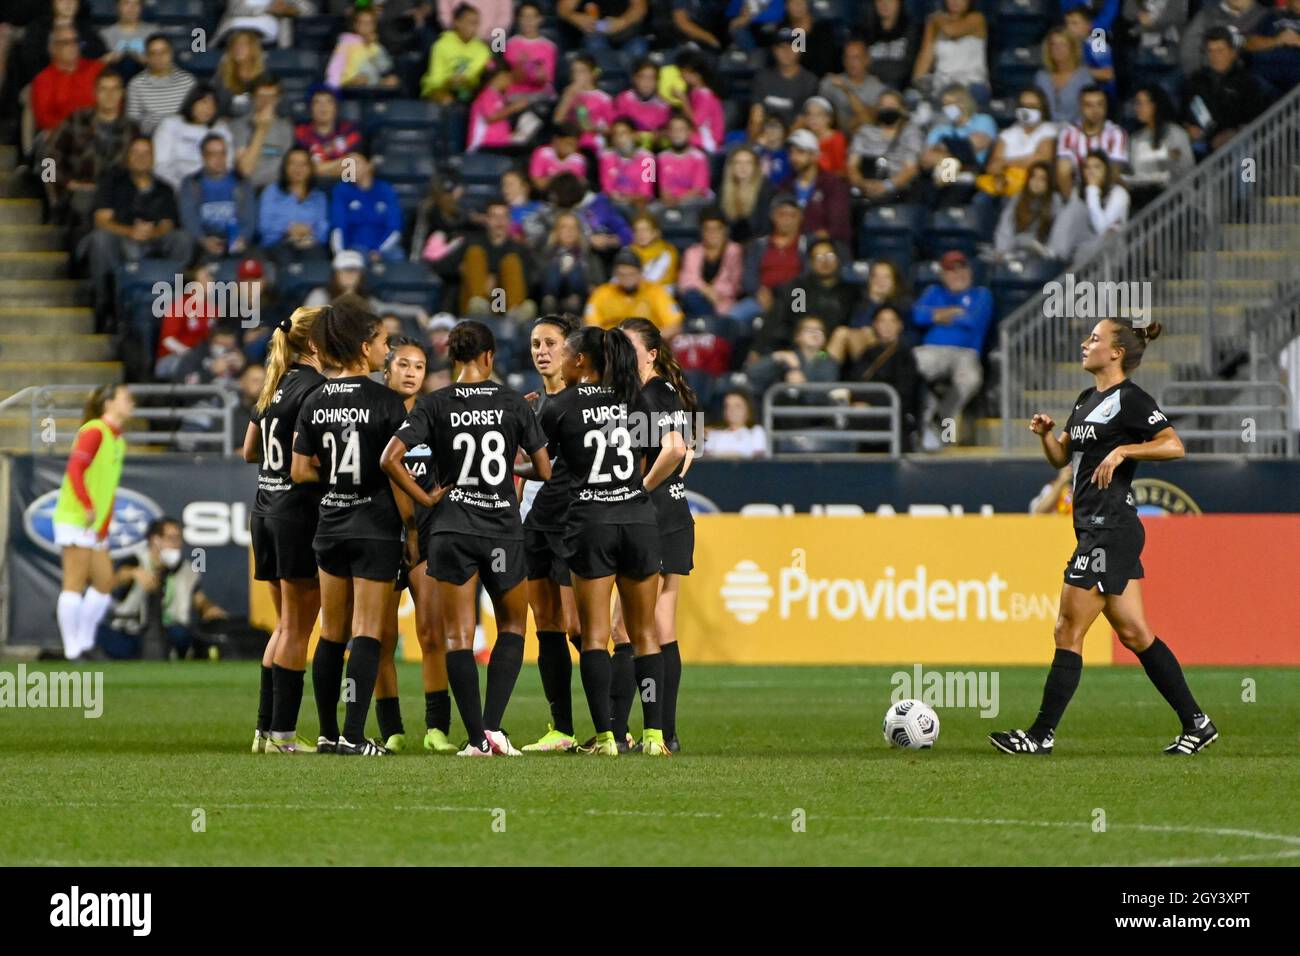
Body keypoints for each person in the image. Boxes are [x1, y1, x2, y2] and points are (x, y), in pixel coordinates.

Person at [990, 318, 1218, 757]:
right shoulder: (1085, 399)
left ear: (1116, 353)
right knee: (1134, 634)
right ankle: (1198, 723)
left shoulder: (1131, 400)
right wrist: (1045, 437)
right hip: (1100, 526)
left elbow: (1174, 445)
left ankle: (1040, 735)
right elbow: (1063, 458)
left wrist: (1125, 449)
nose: (1085, 343)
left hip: (1108, 529)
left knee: (1067, 628)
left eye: (1094, 338)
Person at [382, 321, 551, 756]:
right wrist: (515, 447)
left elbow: (391, 459)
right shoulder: (514, 402)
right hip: (501, 531)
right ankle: (493, 728)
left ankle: (475, 738)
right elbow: (545, 471)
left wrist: (427, 496)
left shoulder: (434, 404)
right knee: (513, 625)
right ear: (490, 356)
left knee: (457, 635)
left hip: (452, 528)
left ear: (452, 357)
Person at [544, 325, 670, 756]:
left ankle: (606, 738)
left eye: (564, 354)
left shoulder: (559, 405)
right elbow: (663, 450)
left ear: (580, 361)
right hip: (637, 518)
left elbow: (541, 466)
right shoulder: (636, 399)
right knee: (644, 634)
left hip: (591, 522)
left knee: (595, 637)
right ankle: (654, 736)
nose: (559, 360)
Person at [290, 295, 407, 756]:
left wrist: (336, 479)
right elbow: (397, 474)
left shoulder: (314, 399)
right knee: (367, 632)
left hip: (331, 526)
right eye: (382, 342)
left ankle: (326, 733)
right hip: (374, 528)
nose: (388, 350)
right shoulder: (387, 402)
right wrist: (411, 530)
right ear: (363, 347)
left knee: (331, 633)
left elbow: (299, 472)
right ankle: (356, 736)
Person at [607, 318, 697, 753]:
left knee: (624, 626)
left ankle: (622, 732)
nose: (620, 352)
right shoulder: (668, 393)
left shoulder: (649, 394)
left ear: (650, 354)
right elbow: (690, 450)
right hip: (675, 515)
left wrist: (639, 490)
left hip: (654, 518)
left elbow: (677, 448)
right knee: (660, 625)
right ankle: (664, 732)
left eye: (627, 345)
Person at [242, 306, 326, 754]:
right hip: (296, 513)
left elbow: (248, 451)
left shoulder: (273, 386)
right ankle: (282, 736)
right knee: (297, 628)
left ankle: (264, 730)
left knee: (284, 626)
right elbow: (309, 461)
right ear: (314, 345)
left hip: (264, 510)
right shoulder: (316, 390)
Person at [369, 336, 452, 752]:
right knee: (382, 637)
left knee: (431, 632)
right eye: (403, 365)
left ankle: (437, 728)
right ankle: (392, 730)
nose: (411, 373)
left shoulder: (435, 416)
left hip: (427, 533)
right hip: (382, 534)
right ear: (386, 372)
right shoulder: (373, 417)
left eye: (418, 366)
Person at [517, 314, 583, 752]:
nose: (542, 351)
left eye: (550, 343)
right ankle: (562, 728)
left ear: (571, 351)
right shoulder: (531, 405)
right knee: (547, 626)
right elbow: (525, 469)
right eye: (536, 343)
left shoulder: (586, 402)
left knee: (581, 627)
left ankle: (617, 723)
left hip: (575, 522)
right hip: (532, 522)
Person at [53, 382, 133, 661]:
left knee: (104, 583)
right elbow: (75, 468)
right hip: (75, 517)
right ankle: (71, 648)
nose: (131, 403)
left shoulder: (118, 440)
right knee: (73, 583)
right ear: (109, 403)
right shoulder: (94, 431)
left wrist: (103, 524)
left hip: (93, 524)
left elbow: (109, 489)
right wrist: (87, 505)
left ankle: (85, 641)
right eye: (125, 398)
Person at [82, 135, 193, 326]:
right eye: (136, 152)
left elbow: (168, 223)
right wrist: (130, 232)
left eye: (146, 153)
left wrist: (152, 233)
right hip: (121, 239)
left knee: (182, 239)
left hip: (154, 240)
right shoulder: (112, 182)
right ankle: (106, 306)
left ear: (153, 157)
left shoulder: (164, 188)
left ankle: (177, 306)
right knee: (100, 239)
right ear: (127, 157)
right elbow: (101, 220)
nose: (141, 157)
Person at [97, 516, 228, 659]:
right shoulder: (136, 561)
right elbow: (114, 581)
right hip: (132, 630)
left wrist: (208, 608)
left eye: (178, 538)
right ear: (155, 540)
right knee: (103, 635)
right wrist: (133, 573)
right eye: (170, 538)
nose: (175, 544)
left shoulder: (188, 570)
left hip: (170, 629)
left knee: (183, 635)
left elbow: (199, 599)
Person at [911, 250, 994, 449]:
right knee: (912, 364)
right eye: (951, 271)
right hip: (932, 350)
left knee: (971, 378)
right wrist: (952, 313)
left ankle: (940, 417)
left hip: (966, 353)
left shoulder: (981, 294)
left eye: (962, 268)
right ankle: (914, 419)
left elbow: (972, 320)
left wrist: (939, 316)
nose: (958, 274)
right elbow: (916, 315)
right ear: (943, 275)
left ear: (970, 271)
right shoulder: (933, 292)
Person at [45, 68, 138, 237]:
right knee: (83, 205)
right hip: (80, 193)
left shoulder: (132, 129)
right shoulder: (76, 119)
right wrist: (67, 183)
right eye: (104, 89)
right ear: (95, 93)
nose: (109, 94)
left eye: (114, 89)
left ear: (121, 93)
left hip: (118, 197)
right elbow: (47, 162)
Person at [432, 199, 535, 321]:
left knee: (511, 261)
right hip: (472, 301)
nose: (499, 222)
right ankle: (479, 304)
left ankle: (515, 311)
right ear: (486, 219)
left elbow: (532, 278)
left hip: (502, 305)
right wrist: (465, 271)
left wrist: (495, 279)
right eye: (494, 217)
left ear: (509, 220)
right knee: (475, 254)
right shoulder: (471, 242)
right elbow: (440, 266)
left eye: (503, 217)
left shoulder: (519, 249)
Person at [755, 238, 859, 355]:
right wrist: (757, 350)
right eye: (819, 257)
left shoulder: (852, 292)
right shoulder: (799, 290)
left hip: (835, 353)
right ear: (811, 263)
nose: (825, 262)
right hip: (801, 352)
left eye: (829, 256)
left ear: (838, 259)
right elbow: (791, 322)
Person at [1183, 27, 1269, 157]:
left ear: (1232, 52)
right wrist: (1188, 127)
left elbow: (1256, 118)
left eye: (1220, 50)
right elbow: (1185, 109)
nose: (1215, 56)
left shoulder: (1247, 81)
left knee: (1241, 148)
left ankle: (1248, 178)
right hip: (1202, 139)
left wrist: (1233, 132)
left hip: (1238, 140)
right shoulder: (1197, 79)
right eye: (1210, 51)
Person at [918, 84, 994, 206]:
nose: (947, 108)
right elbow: (926, 158)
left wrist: (942, 149)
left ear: (964, 103)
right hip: (942, 176)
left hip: (972, 175)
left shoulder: (983, 120)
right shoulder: (940, 128)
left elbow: (977, 144)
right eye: (944, 104)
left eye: (950, 104)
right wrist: (952, 157)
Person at [1049, 150, 1130, 263]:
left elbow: (1102, 229)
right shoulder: (1078, 193)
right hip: (1083, 247)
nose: (1091, 172)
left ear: (1106, 171)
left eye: (1097, 167)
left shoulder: (1119, 193)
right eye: (1087, 167)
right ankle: (1052, 254)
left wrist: (1092, 190)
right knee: (1073, 207)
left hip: (1111, 250)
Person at [979, 88, 1057, 203]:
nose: (1026, 110)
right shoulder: (1008, 133)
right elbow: (993, 165)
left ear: (1042, 109)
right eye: (1023, 106)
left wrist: (1006, 163)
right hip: (1004, 184)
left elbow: (1041, 160)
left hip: (1031, 184)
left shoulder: (1048, 130)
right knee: (980, 200)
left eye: (1032, 106)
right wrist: (1000, 176)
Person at [1124, 85, 1194, 212]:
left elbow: (1186, 169)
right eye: (1136, 104)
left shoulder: (1176, 134)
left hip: (1174, 199)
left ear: (1154, 105)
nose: (1137, 108)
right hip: (1143, 198)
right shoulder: (1135, 139)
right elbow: (1135, 172)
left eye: (1141, 103)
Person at [846, 89, 922, 205]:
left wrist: (887, 186)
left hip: (896, 188)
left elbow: (910, 168)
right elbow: (851, 165)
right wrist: (862, 184)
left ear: (901, 109)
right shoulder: (865, 132)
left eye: (892, 105)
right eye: (883, 105)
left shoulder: (910, 133)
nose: (887, 109)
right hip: (865, 184)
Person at [583, 248, 683, 333]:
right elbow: (592, 326)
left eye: (631, 274)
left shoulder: (656, 292)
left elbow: (674, 325)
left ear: (640, 273)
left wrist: (650, 341)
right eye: (622, 274)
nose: (627, 279)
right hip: (611, 347)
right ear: (615, 274)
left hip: (646, 346)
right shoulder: (602, 293)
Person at [258, 146, 330, 264]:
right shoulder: (271, 192)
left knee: (317, 257)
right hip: (278, 244)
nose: (298, 169)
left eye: (303, 164)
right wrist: (289, 229)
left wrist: (308, 231)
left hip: (309, 242)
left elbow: (323, 230)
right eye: (293, 163)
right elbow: (265, 226)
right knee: (285, 258)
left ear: (311, 169)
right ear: (285, 167)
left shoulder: (319, 197)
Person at [152, 86, 233, 191]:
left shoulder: (221, 129)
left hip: (212, 186)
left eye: (213, 105)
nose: (208, 109)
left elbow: (228, 164)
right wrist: (182, 187)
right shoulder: (171, 124)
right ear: (192, 102)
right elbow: (160, 165)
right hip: (175, 187)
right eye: (204, 103)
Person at [31, 24, 102, 141]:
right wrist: (73, 131)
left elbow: (115, 102)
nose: (73, 46)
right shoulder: (44, 79)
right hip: (61, 136)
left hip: (97, 133)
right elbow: (43, 118)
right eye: (66, 42)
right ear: (52, 48)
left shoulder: (97, 69)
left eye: (75, 41)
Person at [1055, 85, 1128, 198]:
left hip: (1108, 192)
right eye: (1089, 105)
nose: (1095, 110)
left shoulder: (1116, 133)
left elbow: (1114, 171)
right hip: (1077, 191)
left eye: (1100, 104)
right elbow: (1063, 171)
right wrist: (1072, 201)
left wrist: (1097, 197)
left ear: (1106, 106)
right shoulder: (1068, 133)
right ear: (1080, 107)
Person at [329, 152, 403, 262]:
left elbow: (395, 228)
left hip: (384, 246)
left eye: (355, 163)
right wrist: (340, 254)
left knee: (398, 256)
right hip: (354, 247)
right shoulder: (341, 190)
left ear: (369, 166)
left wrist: (378, 250)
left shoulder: (386, 190)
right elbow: (338, 227)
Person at [782, 128, 851, 242]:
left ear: (814, 155)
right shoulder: (785, 186)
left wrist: (806, 240)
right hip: (793, 250)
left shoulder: (833, 185)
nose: (794, 157)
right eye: (791, 152)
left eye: (800, 152)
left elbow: (837, 228)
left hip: (827, 248)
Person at [911, 0, 988, 101]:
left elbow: (952, 31)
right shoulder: (935, 23)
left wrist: (935, 19)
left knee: (956, 103)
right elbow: (926, 55)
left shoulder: (977, 19)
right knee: (912, 97)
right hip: (942, 86)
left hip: (971, 85)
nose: (955, 1)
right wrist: (917, 81)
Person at [747, 27, 819, 134]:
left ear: (800, 50)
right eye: (782, 47)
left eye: (793, 47)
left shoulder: (810, 81)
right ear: (774, 50)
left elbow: (804, 119)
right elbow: (756, 115)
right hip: (765, 136)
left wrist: (782, 140)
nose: (787, 52)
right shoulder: (762, 78)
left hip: (794, 138)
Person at [746, 314, 841, 394]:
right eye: (809, 329)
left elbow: (825, 392)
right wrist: (778, 356)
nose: (815, 333)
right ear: (798, 336)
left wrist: (801, 381)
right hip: (783, 412)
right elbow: (752, 373)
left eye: (819, 330)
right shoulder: (787, 357)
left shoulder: (829, 361)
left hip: (817, 413)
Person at [231, 74, 295, 191]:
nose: (266, 102)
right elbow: (245, 170)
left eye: (271, 97)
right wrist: (261, 129)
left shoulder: (285, 127)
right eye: (261, 96)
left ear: (278, 99)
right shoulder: (238, 126)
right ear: (253, 98)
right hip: (248, 189)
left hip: (277, 190)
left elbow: (288, 169)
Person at [125, 32, 196, 135]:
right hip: (149, 138)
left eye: (163, 52)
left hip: (182, 137)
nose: (159, 58)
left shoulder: (188, 81)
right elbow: (133, 121)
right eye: (153, 53)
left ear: (171, 53)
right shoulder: (136, 84)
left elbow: (193, 116)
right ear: (146, 57)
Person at [678, 208, 744, 318]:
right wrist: (707, 290)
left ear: (724, 230)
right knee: (691, 296)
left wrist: (716, 292)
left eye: (716, 229)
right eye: (707, 229)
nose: (711, 233)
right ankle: (710, 324)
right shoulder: (692, 252)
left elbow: (735, 286)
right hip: (697, 300)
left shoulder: (734, 251)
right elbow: (684, 281)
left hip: (724, 303)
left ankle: (710, 325)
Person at [420, 2, 491, 102]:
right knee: (447, 100)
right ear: (457, 22)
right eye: (471, 23)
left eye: (477, 23)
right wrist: (448, 81)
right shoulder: (441, 45)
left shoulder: (482, 49)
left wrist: (466, 80)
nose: (474, 28)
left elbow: (476, 75)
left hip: (469, 90)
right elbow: (435, 79)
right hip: (440, 89)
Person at [538, 211, 604, 315]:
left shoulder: (588, 255)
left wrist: (591, 286)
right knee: (554, 267)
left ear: (579, 231)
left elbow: (598, 282)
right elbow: (537, 280)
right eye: (564, 227)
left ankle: (573, 299)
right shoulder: (547, 254)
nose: (569, 231)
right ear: (557, 231)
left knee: (576, 269)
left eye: (573, 227)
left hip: (581, 300)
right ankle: (550, 300)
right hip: (551, 297)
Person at [1180, 0, 1266, 77]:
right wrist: (1199, 78)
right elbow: (1189, 51)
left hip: (1250, 81)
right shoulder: (1206, 16)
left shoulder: (1265, 16)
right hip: (1207, 77)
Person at [818, 37, 884, 135]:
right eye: (847, 57)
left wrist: (847, 91)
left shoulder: (877, 88)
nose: (851, 62)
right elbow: (818, 116)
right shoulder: (829, 83)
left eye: (856, 57)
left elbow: (869, 123)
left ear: (867, 60)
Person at [294, 86, 362, 180]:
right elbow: (300, 168)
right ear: (311, 108)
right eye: (317, 102)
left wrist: (317, 168)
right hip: (310, 188)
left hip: (345, 187)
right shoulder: (301, 132)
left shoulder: (349, 130)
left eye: (329, 102)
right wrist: (340, 163)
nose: (323, 107)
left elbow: (355, 166)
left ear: (336, 107)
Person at [994, 161, 1060, 258]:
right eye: (1033, 177)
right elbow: (1005, 227)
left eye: (1042, 179)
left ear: (1049, 183)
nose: (1036, 182)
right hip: (1015, 250)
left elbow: (1057, 234)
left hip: (1042, 253)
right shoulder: (1018, 197)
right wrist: (1002, 251)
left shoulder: (1055, 201)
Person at [551, 53, 613, 153]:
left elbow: (609, 129)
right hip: (569, 143)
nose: (577, 76)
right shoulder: (569, 93)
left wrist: (594, 127)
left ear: (592, 73)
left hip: (592, 144)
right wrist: (568, 97)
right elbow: (557, 121)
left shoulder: (604, 98)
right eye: (574, 72)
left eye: (582, 71)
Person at [325, 5, 399, 89]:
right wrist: (335, 87)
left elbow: (384, 67)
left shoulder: (376, 46)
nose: (366, 26)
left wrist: (370, 46)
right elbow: (336, 67)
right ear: (355, 25)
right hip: (350, 85)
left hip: (374, 86)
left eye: (370, 23)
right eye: (363, 23)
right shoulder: (346, 44)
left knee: (393, 81)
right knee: (361, 81)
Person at [1034, 28, 1092, 129]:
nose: (1058, 49)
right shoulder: (1041, 77)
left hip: (1076, 132)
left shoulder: (1084, 76)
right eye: (1054, 45)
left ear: (1072, 48)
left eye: (1063, 44)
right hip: (1045, 132)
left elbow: (1088, 111)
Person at [717, 146, 775, 243]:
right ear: (731, 167)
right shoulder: (722, 191)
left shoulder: (766, 190)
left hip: (757, 243)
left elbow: (764, 227)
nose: (743, 167)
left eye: (748, 163)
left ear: (755, 166)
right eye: (738, 163)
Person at [556, 0, 650, 60]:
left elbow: (640, 7)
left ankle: (631, 90)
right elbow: (563, 8)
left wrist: (623, 22)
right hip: (595, 33)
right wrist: (575, 17)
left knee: (638, 48)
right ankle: (599, 89)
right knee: (595, 44)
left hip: (626, 31)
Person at [861, 0, 922, 91]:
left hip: (903, 90)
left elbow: (910, 67)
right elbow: (858, 66)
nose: (884, 4)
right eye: (880, 0)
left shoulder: (913, 31)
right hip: (869, 89)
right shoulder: (863, 32)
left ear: (899, 3)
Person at [655, 113, 713, 207]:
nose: (677, 134)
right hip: (668, 204)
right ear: (668, 133)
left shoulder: (699, 158)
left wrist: (678, 201)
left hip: (693, 203)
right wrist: (669, 201)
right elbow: (663, 190)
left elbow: (698, 190)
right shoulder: (661, 158)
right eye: (673, 130)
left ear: (689, 132)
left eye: (681, 130)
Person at [598, 115, 656, 207]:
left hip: (639, 205)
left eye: (624, 133)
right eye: (615, 134)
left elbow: (646, 192)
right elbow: (607, 189)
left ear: (634, 135)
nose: (619, 138)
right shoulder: (606, 157)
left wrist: (627, 199)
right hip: (614, 205)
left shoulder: (649, 159)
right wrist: (618, 198)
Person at [505, 2, 557, 99]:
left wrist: (539, 75)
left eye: (532, 17)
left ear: (540, 19)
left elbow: (547, 79)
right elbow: (513, 78)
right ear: (518, 19)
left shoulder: (549, 46)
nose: (528, 21)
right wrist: (520, 64)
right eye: (524, 17)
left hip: (540, 94)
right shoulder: (511, 44)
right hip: (516, 94)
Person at [1246, 0, 1300, 94]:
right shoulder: (1271, 15)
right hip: (1264, 75)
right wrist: (1277, 41)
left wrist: (1298, 41)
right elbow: (1249, 44)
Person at [212, 28, 264, 119]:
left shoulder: (264, 76)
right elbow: (212, 101)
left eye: (243, 45)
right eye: (235, 45)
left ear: (253, 49)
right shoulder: (222, 75)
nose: (238, 48)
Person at [614, 58, 672, 138]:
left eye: (652, 78)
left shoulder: (664, 106)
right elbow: (617, 128)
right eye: (643, 77)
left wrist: (660, 135)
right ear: (634, 79)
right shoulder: (623, 99)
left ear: (657, 81)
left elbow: (665, 131)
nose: (647, 82)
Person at [703, 389, 767, 458]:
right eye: (728, 406)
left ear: (748, 409)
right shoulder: (713, 434)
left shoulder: (756, 431)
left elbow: (757, 459)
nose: (732, 410)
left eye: (737, 406)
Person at [528, 123, 587, 193]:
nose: (571, 148)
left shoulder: (579, 160)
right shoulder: (543, 153)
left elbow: (576, 187)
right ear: (557, 140)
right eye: (568, 143)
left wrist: (551, 180)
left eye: (574, 145)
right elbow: (538, 183)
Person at [797, 95, 847, 177]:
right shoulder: (802, 137)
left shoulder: (837, 139)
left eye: (818, 114)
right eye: (809, 114)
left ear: (829, 118)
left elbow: (841, 172)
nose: (812, 118)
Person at [99, 0, 153, 72]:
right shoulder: (104, 35)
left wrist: (147, 60)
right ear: (118, 7)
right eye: (126, 3)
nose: (132, 8)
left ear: (142, 7)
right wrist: (108, 59)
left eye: (137, 4)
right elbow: (95, 66)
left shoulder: (152, 32)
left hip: (145, 79)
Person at [629, 212, 679, 288]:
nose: (641, 234)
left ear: (655, 233)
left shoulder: (666, 251)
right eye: (637, 230)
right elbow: (617, 279)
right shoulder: (628, 251)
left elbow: (655, 279)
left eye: (645, 230)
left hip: (661, 290)